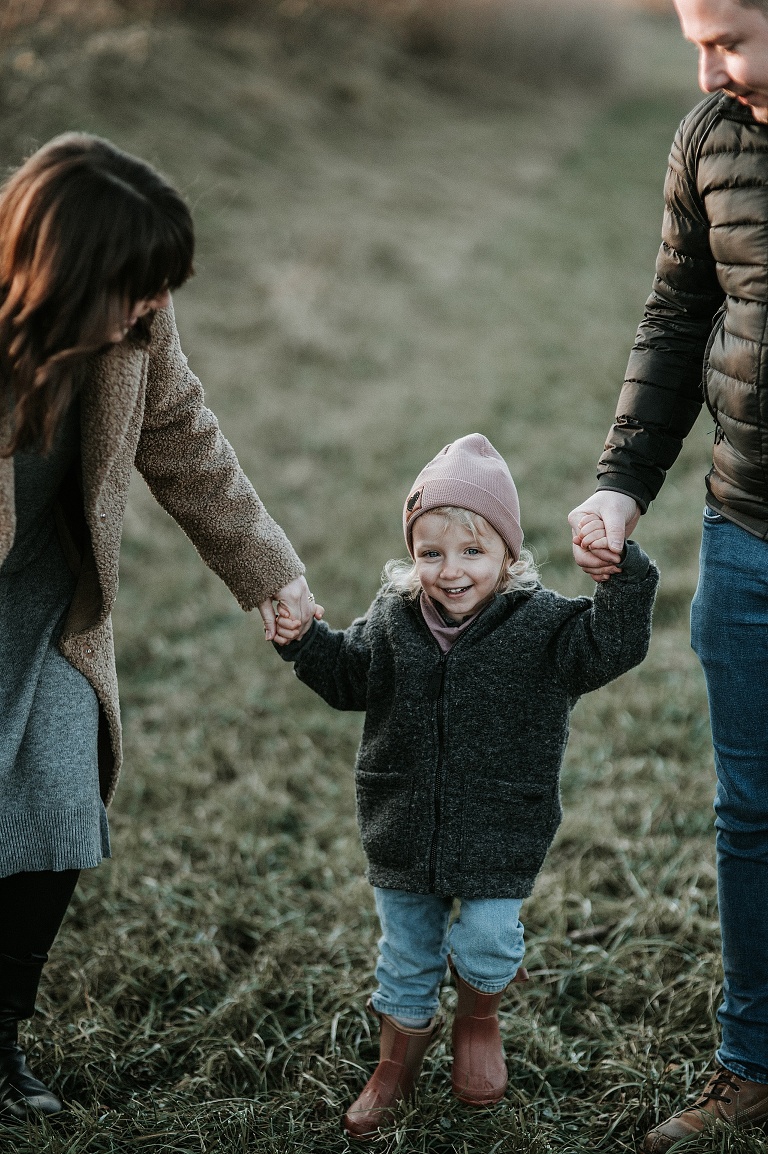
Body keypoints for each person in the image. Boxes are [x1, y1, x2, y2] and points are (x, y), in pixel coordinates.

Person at [0, 132, 319, 1119]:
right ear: (64, 272)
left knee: (57, 806)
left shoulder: (134, 316)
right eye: (135, 289)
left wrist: (265, 564)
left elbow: (176, 424)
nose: (149, 309)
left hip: (48, 598)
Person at [273, 433, 658, 1138]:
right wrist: (303, 641)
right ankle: (395, 1065)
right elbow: (346, 677)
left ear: (510, 555)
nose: (451, 572)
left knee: (486, 939)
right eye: (431, 553)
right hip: (404, 825)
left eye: (473, 552)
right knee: (406, 956)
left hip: (500, 827)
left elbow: (616, 643)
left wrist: (622, 575)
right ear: (412, 555)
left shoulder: (543, 628)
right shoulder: (393, 620)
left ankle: (478, 1019)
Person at [568, 0, 768, 1147]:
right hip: (746, 533)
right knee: (751, 812)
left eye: (728, 36)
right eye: (693, 36)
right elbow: (677, 314)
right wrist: (619, 481)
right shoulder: (708, 137)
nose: (703, 66)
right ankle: (754, 1065)